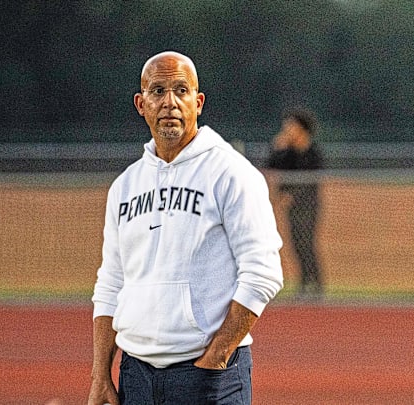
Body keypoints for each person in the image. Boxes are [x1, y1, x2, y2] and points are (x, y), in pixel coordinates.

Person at [88, 51, 284, 405]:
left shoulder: (231, 174)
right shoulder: (125, 186)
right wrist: (101, 374)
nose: (170, 102)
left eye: (181, 90)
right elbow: (110, 284)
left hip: (207, 376)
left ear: (199, 101)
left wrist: (216, 358)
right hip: (135, 376)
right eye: (158, 91)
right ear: (140, 103)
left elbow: (263, 273)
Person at [266, 107, 325, 301]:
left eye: (291, 127)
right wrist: (277, 148)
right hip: (291, 207)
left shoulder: (313, 153)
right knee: (295, 244)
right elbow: (272, 165)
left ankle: (315, 285)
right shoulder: (288, 153)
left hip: (308, 206)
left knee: (306, 242)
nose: (287, 130)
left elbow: (311, 181)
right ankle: (303, 283)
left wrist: (292, 195)